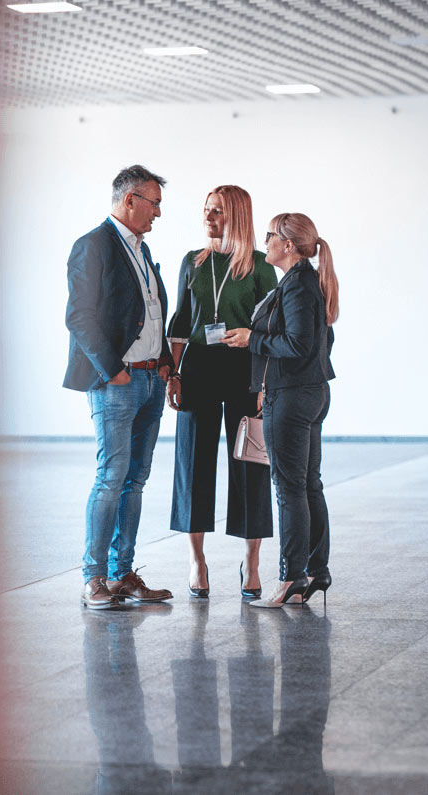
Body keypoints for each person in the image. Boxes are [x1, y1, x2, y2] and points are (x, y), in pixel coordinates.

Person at [64, 165, 176, 610]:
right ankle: (94, 578)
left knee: (135, 480)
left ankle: (122, 573)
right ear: (130, 200)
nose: (158, 214)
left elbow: (150, 313)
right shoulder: (93, 245)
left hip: (149, 378)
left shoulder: (142, 250)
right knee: (111, 479)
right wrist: (113, 371)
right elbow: (79, 316)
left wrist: (165, 363)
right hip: (118, 381)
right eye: (154, 203)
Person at [222, 212, 338, 608]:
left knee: (290, 489)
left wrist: (252, 339)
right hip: (308, 393)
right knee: (308, 485)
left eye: (270, 235)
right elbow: (323, 339)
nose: (265, 240)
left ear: (288, 245)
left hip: (290, 397)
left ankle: (291, 578)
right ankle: (314, 571)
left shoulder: (298, 285)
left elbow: (299, 344)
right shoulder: (303, 282)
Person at [165, 185, 276, 599]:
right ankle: (197, 560)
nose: (208, 218)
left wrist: (266, 382)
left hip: (245, 367)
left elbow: (271, 328)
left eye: (218, 212)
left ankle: (252, 561)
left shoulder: (262, 267)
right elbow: (179, 321)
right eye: (206, 210)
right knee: (193, 464)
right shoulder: (192, 263)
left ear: (238, 217)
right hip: (198, 367)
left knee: (250, 462)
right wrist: (173, 374)